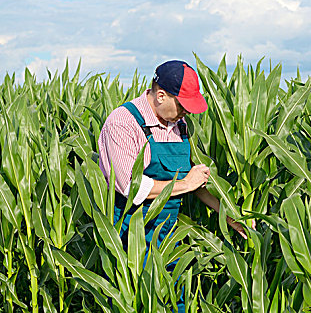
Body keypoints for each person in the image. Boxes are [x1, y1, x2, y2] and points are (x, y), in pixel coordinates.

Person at [98, 60, 247, 311]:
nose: (186, 112)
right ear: (160, 95)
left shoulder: (178, 124)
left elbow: (194, 183)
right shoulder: (124, 123)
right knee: (140, 302)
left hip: (168, 237)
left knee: (174, 302)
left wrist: (229, 215)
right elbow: (131, 188)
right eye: (182, 105)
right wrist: (184, 183)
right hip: (131, 237)